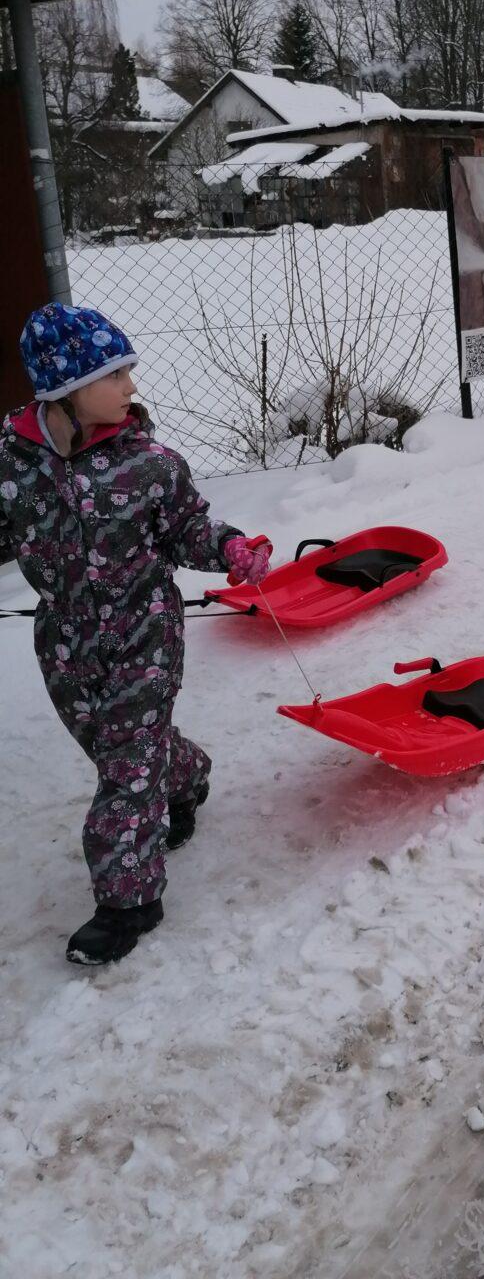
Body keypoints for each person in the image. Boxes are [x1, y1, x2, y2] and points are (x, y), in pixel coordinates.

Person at [0, 304, 272, 966]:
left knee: (126, 762)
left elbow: (188, 530)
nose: (130, 384)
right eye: (115, 373)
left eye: (129, 370)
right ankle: (186, 775)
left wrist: (230, 546)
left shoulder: (149, 464)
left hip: (145, 632)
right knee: (125, 750)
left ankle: (127, 901)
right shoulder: (12, 468)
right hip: (64, 641)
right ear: (66, 389)